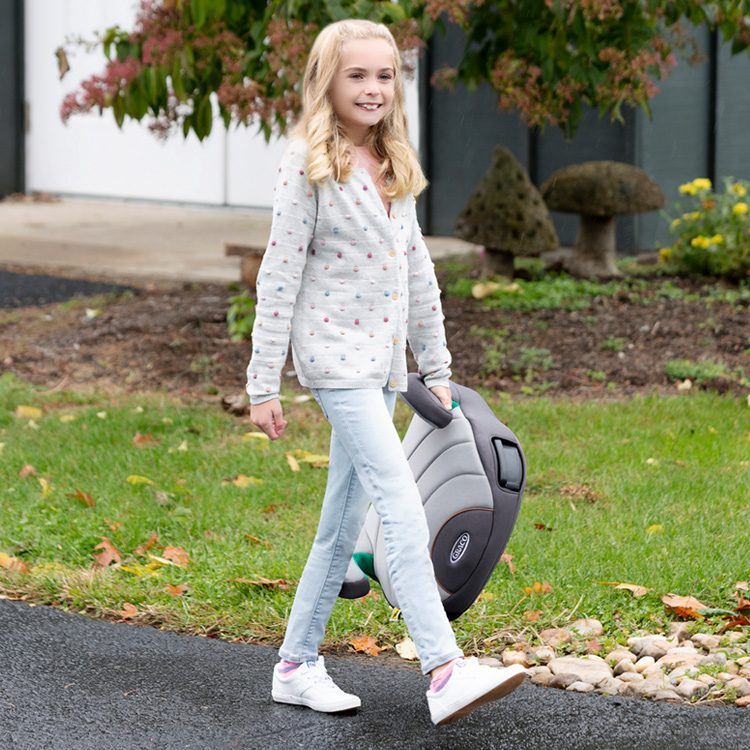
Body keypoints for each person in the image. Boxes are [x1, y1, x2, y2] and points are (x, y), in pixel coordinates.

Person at [246, 18, 525, 726]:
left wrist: (435, 366)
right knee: (397, 499)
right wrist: (262, 383)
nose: (373, 88)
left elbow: (418, 273)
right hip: (334, 363)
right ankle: (444, 669)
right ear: (326, 84)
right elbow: (277, 279)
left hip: (380, 368)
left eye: (384, 76)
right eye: (356, 75)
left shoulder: (393, 163)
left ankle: (295, 664)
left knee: (340, 525)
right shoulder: (307, 167)